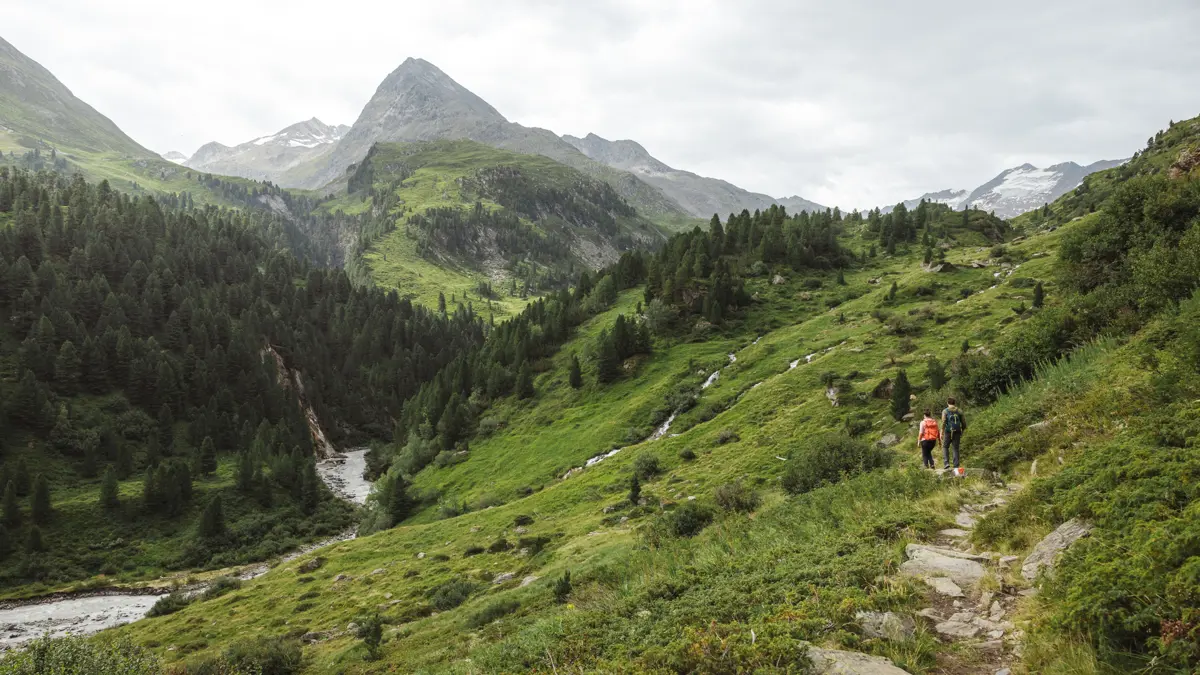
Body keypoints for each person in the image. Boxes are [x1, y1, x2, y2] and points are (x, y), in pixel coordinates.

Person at [941, 397, 967, 470]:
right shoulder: (959, 411)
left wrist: (942, 431)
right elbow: (964, 422)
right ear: (954, 403)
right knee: (955, 448)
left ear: (947, 403)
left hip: (948, 431)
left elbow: (943, 422)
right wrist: (962, 430)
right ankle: (956, 465)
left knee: (945, 446)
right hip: (957, 431)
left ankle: (946, 463)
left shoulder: (945, 411)